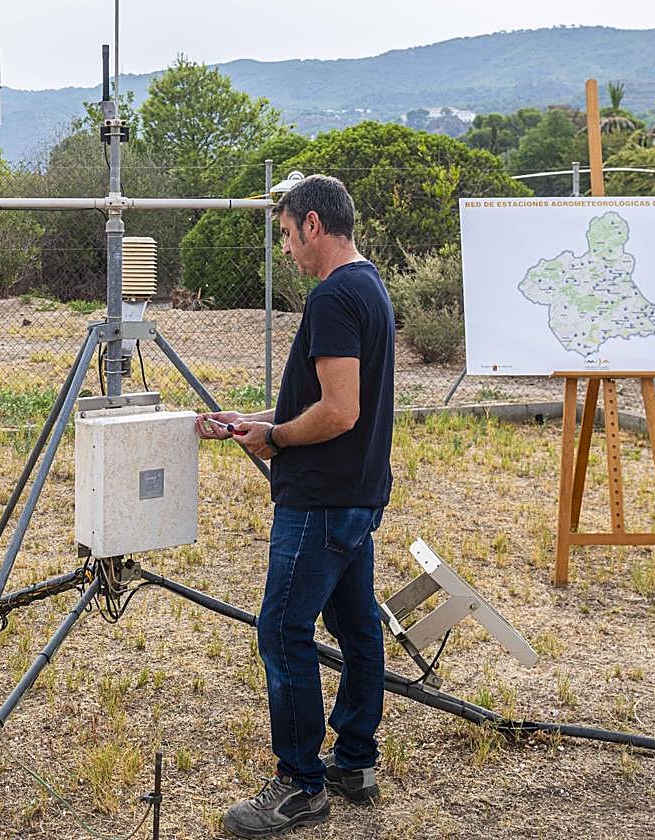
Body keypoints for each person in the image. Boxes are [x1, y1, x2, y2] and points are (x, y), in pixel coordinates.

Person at [196, 175, 395, 838]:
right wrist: (252, 421)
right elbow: (328, 404)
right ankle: (354, 762)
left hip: (319, 501)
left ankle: (300, 785)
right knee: (358, 627)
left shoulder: (334, 296)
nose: (285, 248)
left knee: (282, 629)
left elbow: (339, 411)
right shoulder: (370, 287)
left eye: (286, 233)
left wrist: (275, 439)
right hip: (356, 495)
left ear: (313, 225)